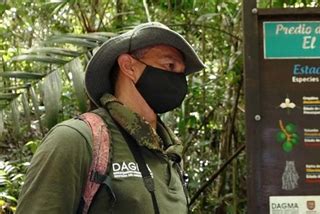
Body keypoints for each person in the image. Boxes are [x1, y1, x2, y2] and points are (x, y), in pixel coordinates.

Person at [16, 22, 205, 214]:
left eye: (181, 73)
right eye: (170, 65)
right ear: (129, 66)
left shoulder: (171, 154)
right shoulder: (76, 139)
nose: (178, 81)